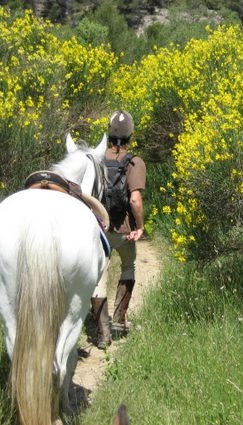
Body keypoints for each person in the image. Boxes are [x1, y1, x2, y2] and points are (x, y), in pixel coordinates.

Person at [90, 110, 146, 348]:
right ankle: (119, 320)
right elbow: (134, 199)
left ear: (109, 134)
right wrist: (140, 226)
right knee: (128, 265)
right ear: (130, 135)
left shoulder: (96, 159)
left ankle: (102, 332)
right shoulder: (135, 162)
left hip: (99, 229)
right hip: (124, 230)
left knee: (98, 275)